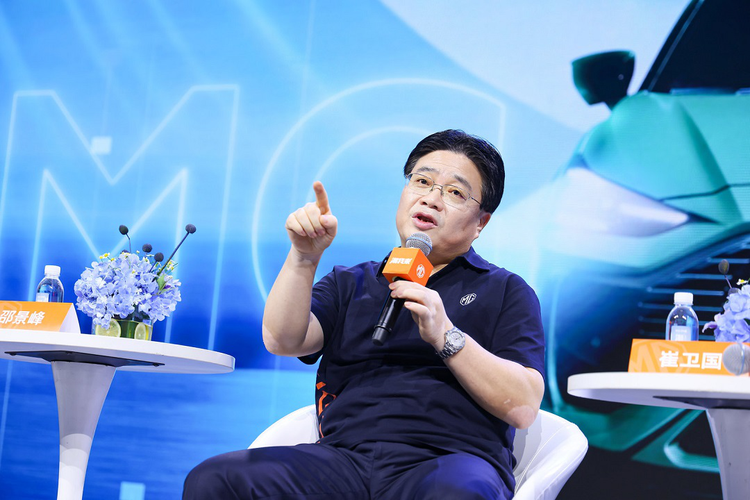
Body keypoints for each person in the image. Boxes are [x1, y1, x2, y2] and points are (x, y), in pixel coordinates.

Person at [183, 129, 545, 499]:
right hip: (343, 461)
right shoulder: (351, 282)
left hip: (448, 461)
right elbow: (283, 339)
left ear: (480, 223)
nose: (431, 199)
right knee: (215, 479)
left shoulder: (506, 290)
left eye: (454, 192)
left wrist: (446, 336)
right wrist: (304, 258)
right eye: (422, 181)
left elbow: (523, 406)